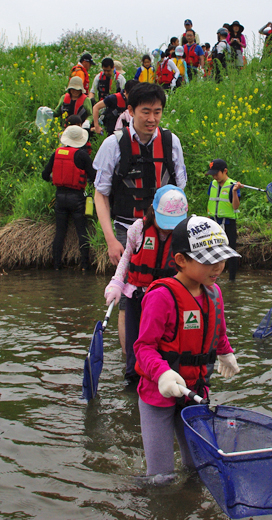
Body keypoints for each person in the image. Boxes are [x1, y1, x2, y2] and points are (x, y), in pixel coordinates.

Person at [133, 215, 240, 483]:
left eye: (222, 259)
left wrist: (226, 352)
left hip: (195, 391)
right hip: (159, 395)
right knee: (161, 477)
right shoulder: (161, 296)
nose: (218, 267)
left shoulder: (213, 292)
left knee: (199, 468)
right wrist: (162, 374)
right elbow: (143, 347)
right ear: (181, 260)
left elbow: (218, 332)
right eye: (208, 261)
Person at [93, 82, 188, 347]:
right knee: (129, 298)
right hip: (126, 228)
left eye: (157, 112)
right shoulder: (113, 145)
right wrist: (111, 239)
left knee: (170, 292)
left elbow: (180, 190)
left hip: (166, 229)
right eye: (145, 112)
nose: (152, 119)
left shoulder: (171, 142)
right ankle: (131, 363)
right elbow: (100, 194)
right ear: (131, 111)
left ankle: (163, 354)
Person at [104, 185, 188, 386]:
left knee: (163, 345)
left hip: (167, 300)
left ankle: (165, 379)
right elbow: (127, 257)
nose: (168, 228)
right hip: (137, 296)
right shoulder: (138, 229)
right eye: (165, 222)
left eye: (173, 224)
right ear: (153, 210)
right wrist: (116, 282)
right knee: (135, 345)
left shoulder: (185, 233)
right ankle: (133, 382)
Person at [41, 125, 96, 271]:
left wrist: (56, 178)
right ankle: (85, 265)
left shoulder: (57, 153)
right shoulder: (82, 155)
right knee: (81, 231)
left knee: (60, 231)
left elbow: (45, 175)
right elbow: (94, 176)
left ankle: (56, 265)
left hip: (60, 197)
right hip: (77, 198)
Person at [206, 159, 242, 281]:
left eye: (216, 173)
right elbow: (211, 201)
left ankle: (232, 280)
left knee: (230, 252)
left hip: (228, 223)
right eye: (213, 174)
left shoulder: (233, 185)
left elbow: (235, 206)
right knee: (212, 251)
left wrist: (235, 192)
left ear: (225, 171)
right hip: (214, 223)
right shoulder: (213, 184)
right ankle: (212, 278)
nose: (214, 176)